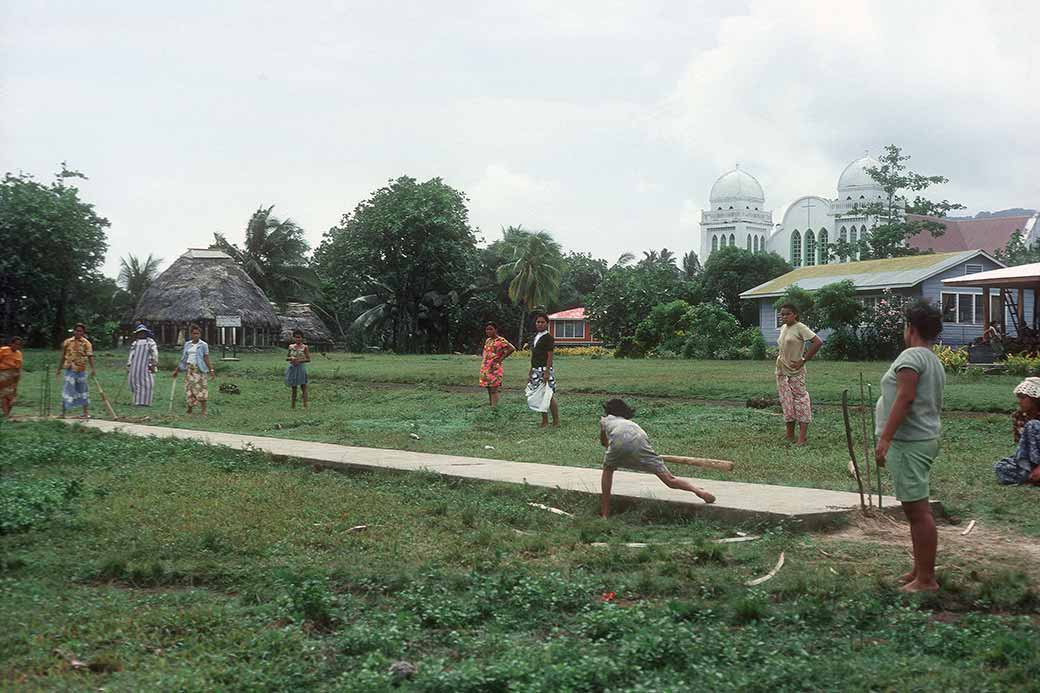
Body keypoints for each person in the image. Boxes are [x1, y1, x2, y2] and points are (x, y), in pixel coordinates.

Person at [874, 300, 945, 593]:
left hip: (909, 443)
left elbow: (905, 398)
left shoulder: (910, 358)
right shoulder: (931, 358)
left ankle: (926, 580)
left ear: (911, 328)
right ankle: (920, 568)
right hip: (924, 439)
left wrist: (885, 438)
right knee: (918, 507)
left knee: (917, 512)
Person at [599, 398, 715, 518]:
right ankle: (698, 491)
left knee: (608, 470)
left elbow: (604, 443)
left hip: (618, 442)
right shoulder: (630, 423)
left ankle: (605, 514)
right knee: (670, 480)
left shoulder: (605, 421)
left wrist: (612, 456)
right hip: (640, 438)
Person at [775, 303, 823, 445]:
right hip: (781, 371)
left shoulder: (800, 327)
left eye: (787, 314)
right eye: (782, 314)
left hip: (795, 372)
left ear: (794, 314)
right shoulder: (784, 328)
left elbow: (818, 342)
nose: (783, 317)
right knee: (786, 402)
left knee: (800, 401)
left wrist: (803, 360)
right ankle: (789, 435)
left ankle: (802, 438)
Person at [993, 377, 1040, 485]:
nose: (1019, 402)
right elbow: (1022, 447)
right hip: (1030, 462)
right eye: (1019, 398)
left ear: (1035, 399)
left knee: (1033, 425)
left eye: (1023, 398)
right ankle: (1032, 477)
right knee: (1000, 466)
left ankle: (1031, 477)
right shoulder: (1018, 417)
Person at [172, 324, 215, 415]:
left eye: (198, 333)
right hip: (189, 369)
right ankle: (190, 409)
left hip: (199, 369)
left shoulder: (203, 345)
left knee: (201, 389)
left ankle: (203, 410)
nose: (196, 335)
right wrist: (177, 370)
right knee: (189, 389)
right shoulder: (187, 344)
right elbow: (183, 358)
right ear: (191, 334)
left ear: (200, 334)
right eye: (194, 333)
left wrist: (211, 370)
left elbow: (206, 358)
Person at [526, 312, 560, 427]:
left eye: (542, 322)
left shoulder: (548, 338)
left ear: (547, 324)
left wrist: (547, 372)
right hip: (536, 369)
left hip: (544, 369)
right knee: (540, 395)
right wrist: (531, 370)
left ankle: (556, 421)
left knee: (549, 396)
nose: (539, 324)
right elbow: (534, 355)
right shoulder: (536, 337)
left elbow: (550, 356)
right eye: (538, 322)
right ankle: (544, 421)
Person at [57, 323, 95, 419]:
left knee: (83, 390)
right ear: (74, 331)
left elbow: (90, 357)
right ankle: (63, 413)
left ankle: (85, 413)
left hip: (81, 370)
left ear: (83, 332)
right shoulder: (67, 342)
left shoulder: (87, 343)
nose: (78, 332)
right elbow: (63, 356)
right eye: (76, 330)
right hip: (69, 369)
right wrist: (59, 368)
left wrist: (93, 369)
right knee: (67, 390)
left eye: (80, 331)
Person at [478, 321, 515, 408]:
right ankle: (491, 405)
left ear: (496, 330)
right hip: (486, 368)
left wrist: (501, 358)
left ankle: (494, 408)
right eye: (487, 329)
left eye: (491, 329)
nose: (488, 331)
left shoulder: (501, 340)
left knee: (494, 389)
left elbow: (512, 348)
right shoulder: (488, 340)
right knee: (488, 388)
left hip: (494, 368)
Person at [126, 324, 159, 406]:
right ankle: (137, 401)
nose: (142, 334)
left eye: (143, 332)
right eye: (140, 333)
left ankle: (145, 402)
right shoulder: (135, 343)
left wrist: (154, 363)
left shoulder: (150, 342)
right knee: (133, 382)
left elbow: (155, 353)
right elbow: (131, 355)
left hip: (146, 366)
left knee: (147, 383)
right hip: (135, 367)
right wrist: (129, 364)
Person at [285, 329, 311, 409]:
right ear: (293, 338)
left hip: (301, 368)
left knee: (303, 387)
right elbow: (287, 358)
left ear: (302, 338)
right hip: (292, 368)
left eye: (299, 337)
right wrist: (291, 358)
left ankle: (305, 405)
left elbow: (308, 359)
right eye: (296, 337)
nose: (298, 339)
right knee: (294, 388)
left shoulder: (305, 347)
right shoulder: (291, 347)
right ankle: (293, 406)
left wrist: (299, 360)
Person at [0, 336, 24, 417]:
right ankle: (6, 415)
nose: (18, 346)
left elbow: (19, 367)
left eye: (19, 345)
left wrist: (18, 376)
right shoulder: (3, 350)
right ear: (11, 344)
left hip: (14, 375)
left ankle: (6, 413)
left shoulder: (19, 353)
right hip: (3, 373)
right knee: (5, 395)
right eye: (16, 344)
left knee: (12, 395)